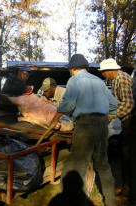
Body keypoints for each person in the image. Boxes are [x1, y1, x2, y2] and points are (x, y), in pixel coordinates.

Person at [49, 54, 117, 206]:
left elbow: (68, 105)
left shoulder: (74, 80)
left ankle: (74, 202)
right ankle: (111, 202)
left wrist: (54, 120)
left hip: (85, 126)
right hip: (101, 126)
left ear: (73, 69)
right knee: (103, 165)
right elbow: (113, 104)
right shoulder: (99, 81)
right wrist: (105, 117)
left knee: (78, 165)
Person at [99, 58, 136, 205]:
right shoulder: (115, 81)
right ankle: (126, 189)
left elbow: (129, 104)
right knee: (124, 156)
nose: (103, 75)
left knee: (129, 157)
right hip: (125, 121)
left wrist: (111, 115)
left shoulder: (123, 79)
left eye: (103, 73)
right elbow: (115, 101)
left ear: (109, 71)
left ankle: (132, 194)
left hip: (132, 121)